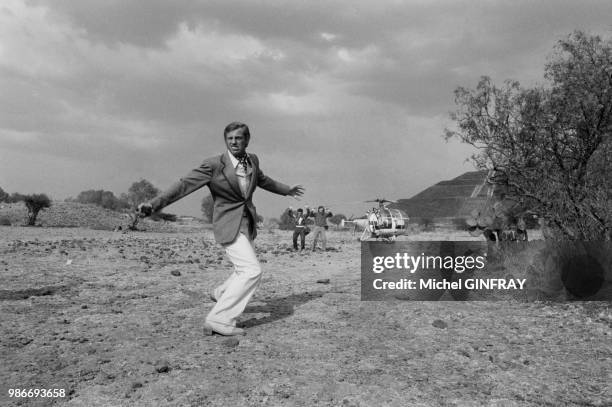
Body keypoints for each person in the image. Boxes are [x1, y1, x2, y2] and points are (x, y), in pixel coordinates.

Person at [138, 122, 304, 336]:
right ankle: (220, 319)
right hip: (227, 223)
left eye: (239, 138)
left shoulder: (252, 160)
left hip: (247, 223)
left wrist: (286, 190)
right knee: (252, 271)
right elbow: (183, 185)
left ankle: (220, 292)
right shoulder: (214, 165)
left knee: (243, 268)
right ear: (226, 141)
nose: (234, 142)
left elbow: (262, 180)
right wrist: (154, 204)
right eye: (230, 138)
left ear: (247, 140)